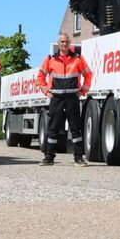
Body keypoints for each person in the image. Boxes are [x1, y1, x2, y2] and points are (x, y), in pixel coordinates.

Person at [35, 32, 93, 166]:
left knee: (75, 129)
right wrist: (46, 92)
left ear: (70, 42)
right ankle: (49, 158)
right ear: (59, 44)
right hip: (56, 99)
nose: (64, 44)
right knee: (53, 128)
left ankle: (78, 158)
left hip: (72, 98)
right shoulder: (50, 59)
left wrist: (83, 90)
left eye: (66, 42)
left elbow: (88, 74)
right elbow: (40, 77)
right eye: (62, 42)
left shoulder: (78, 59)